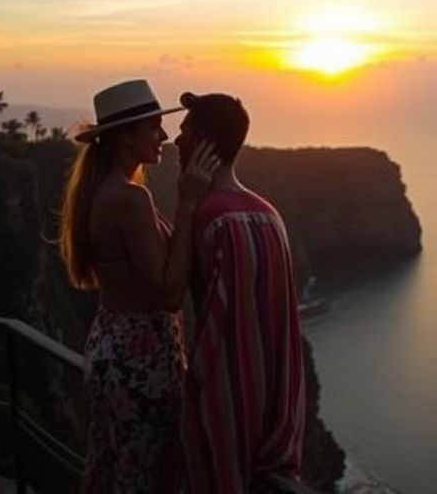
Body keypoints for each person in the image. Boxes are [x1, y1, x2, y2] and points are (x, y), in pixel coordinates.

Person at [59, 79, 221, 494]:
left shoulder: (99, 191)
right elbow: (167, 294)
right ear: (125, 138)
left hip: (110, 347)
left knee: (114, 466)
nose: (164, 136)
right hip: (141, 359)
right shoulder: (130, 198)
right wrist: (188, 203)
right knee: (146, 478)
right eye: (153, 127)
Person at [174, 92, 306, 493]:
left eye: (185, 132)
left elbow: (214, 325)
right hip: (273, 411)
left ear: (203, 144)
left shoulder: (208, 216)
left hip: (227, 413)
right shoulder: (270, 213)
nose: (176, 141)